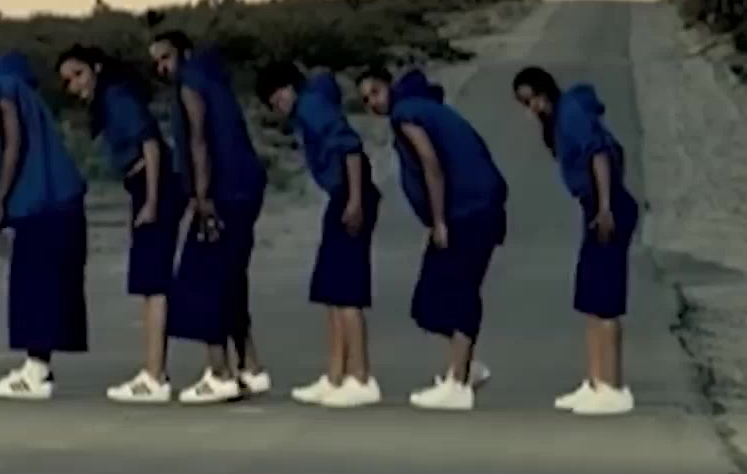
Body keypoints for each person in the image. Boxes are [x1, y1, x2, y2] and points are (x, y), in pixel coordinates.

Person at [0, 44, 88, 401]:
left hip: (42, 200)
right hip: (52, 198)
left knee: (34, 287)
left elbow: (14, 140)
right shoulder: (17, 85)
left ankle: (36, 370)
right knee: (41, 286)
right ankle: (37, 365)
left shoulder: (3, 87)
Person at [358, 66, 507, 411]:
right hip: (468, 208)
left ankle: (458, 383)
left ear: (389, 87)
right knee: (430, 300)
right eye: (365, 100)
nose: (372, 104)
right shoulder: (424, 108)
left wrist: (439, 220)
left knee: (460, 290)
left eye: (375, 93)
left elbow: (431, 164)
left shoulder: (407, 114)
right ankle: (466, 365)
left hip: (469, 209)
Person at [148, 31, 271, 404]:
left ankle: (219, 372)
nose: (161, 67)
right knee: (231, 277)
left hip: (223, 190)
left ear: (184, 53)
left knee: (203, 277)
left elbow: (199, 139)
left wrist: (202, 196)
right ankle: (250, 365)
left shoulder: (191, 83)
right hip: (246, 187)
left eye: (166, 58)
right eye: (156, 61)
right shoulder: (217, 78)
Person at [57, 45, 184, 403]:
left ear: (96, 69)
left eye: (78, 75)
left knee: (152, 279)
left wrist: (152, 200)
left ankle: (155, 375)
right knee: (148, 279)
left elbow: (150, 144)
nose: (74, 86)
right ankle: (155, 370)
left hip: (153, 184)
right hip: (142, 184)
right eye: (68, 81)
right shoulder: (110, 99)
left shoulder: (116, 97)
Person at [511, 67, 639, 416]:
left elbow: (599, 154)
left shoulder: (571, 112)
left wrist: (606, 205)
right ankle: (595, 381)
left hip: (606, 205)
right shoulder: (559, 119)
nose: (533, 108)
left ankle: (612, 386)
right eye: (525, 103)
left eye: (534, 98)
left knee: (606, 296)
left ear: (545, 91)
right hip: (593, 204)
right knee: (590, 294)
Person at [257, 62, 382, 408]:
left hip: (351, 192)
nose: (277, 104)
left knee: (347, 288)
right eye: (271, 101)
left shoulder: (312, 106)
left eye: (278, 95)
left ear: (290, 87)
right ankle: (336, 375)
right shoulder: (309, 107)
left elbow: (351, 147)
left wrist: (354, 200)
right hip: (342, 193)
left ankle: (360, 376)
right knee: (331, 286)